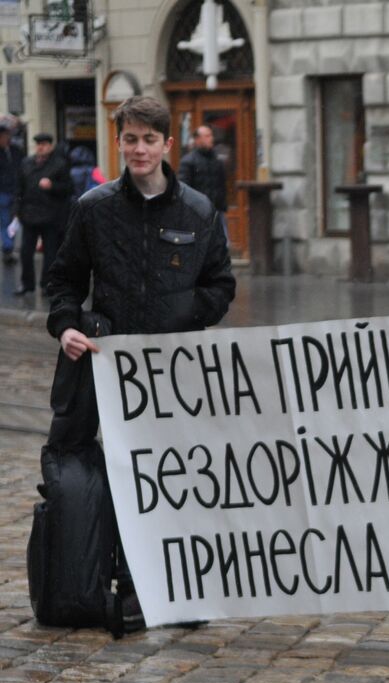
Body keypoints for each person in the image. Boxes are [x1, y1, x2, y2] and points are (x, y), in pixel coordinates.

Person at [44, 95, 236, 627]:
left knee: (173, 478)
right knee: (123, 475)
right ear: (119, 142)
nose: (139, 149)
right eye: (130, 139)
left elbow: (220, 286)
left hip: (173, 373)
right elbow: (62, 282)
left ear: (167, 145)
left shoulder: (197, 211)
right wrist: (68, 327)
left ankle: (177, 584)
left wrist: (185, 316)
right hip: (108, 368)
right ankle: (130, 584)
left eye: (149, 140)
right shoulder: (93, 209)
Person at [15, 132, 72, 297]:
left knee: (50, 253)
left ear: (50, 146)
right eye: (38, 144)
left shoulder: (60, 164)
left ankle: (47, 284)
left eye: (44, 144)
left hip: (51, 216)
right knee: (26, 252)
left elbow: (68, 188)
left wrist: (52, 186)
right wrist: (16, 211)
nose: (40, 147)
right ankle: (27, 284)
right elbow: (19, 188)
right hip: (29, 215)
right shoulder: (26, 163)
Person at [177, 125, 228, 215]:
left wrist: (223, 206)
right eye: (207, 136)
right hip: (197, 212)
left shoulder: (217, 160)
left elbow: (222, 186)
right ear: (198, 140)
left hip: (217, 211)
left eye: (211, 135)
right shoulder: (188, 161)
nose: (211, 139)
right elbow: (184, 189)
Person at [0, 125, 22, 265]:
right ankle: (7, 248)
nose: (6, 138)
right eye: (4, 136)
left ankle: (9, 247)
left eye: (7, 135)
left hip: (15, 191)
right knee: (4, 220)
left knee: (14, 221)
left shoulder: (16, 151)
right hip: (2, 192)